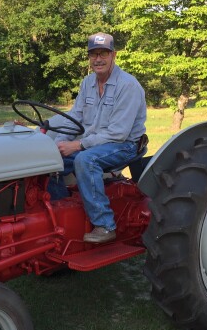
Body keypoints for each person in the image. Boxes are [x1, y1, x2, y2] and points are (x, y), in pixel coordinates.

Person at [48, 32, 147, 243]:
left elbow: (118, 133)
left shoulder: (127, 85)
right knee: (49, 160)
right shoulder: (88, 83)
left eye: (104, 53)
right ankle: (63, 217)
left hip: (125, 144)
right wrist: (47, 130)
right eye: (93, 54)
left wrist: (77, 145)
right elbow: (75, 117)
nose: (98, 59)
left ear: (114, 55)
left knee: (86, 159)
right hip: (95, 141)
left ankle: (105, 224)